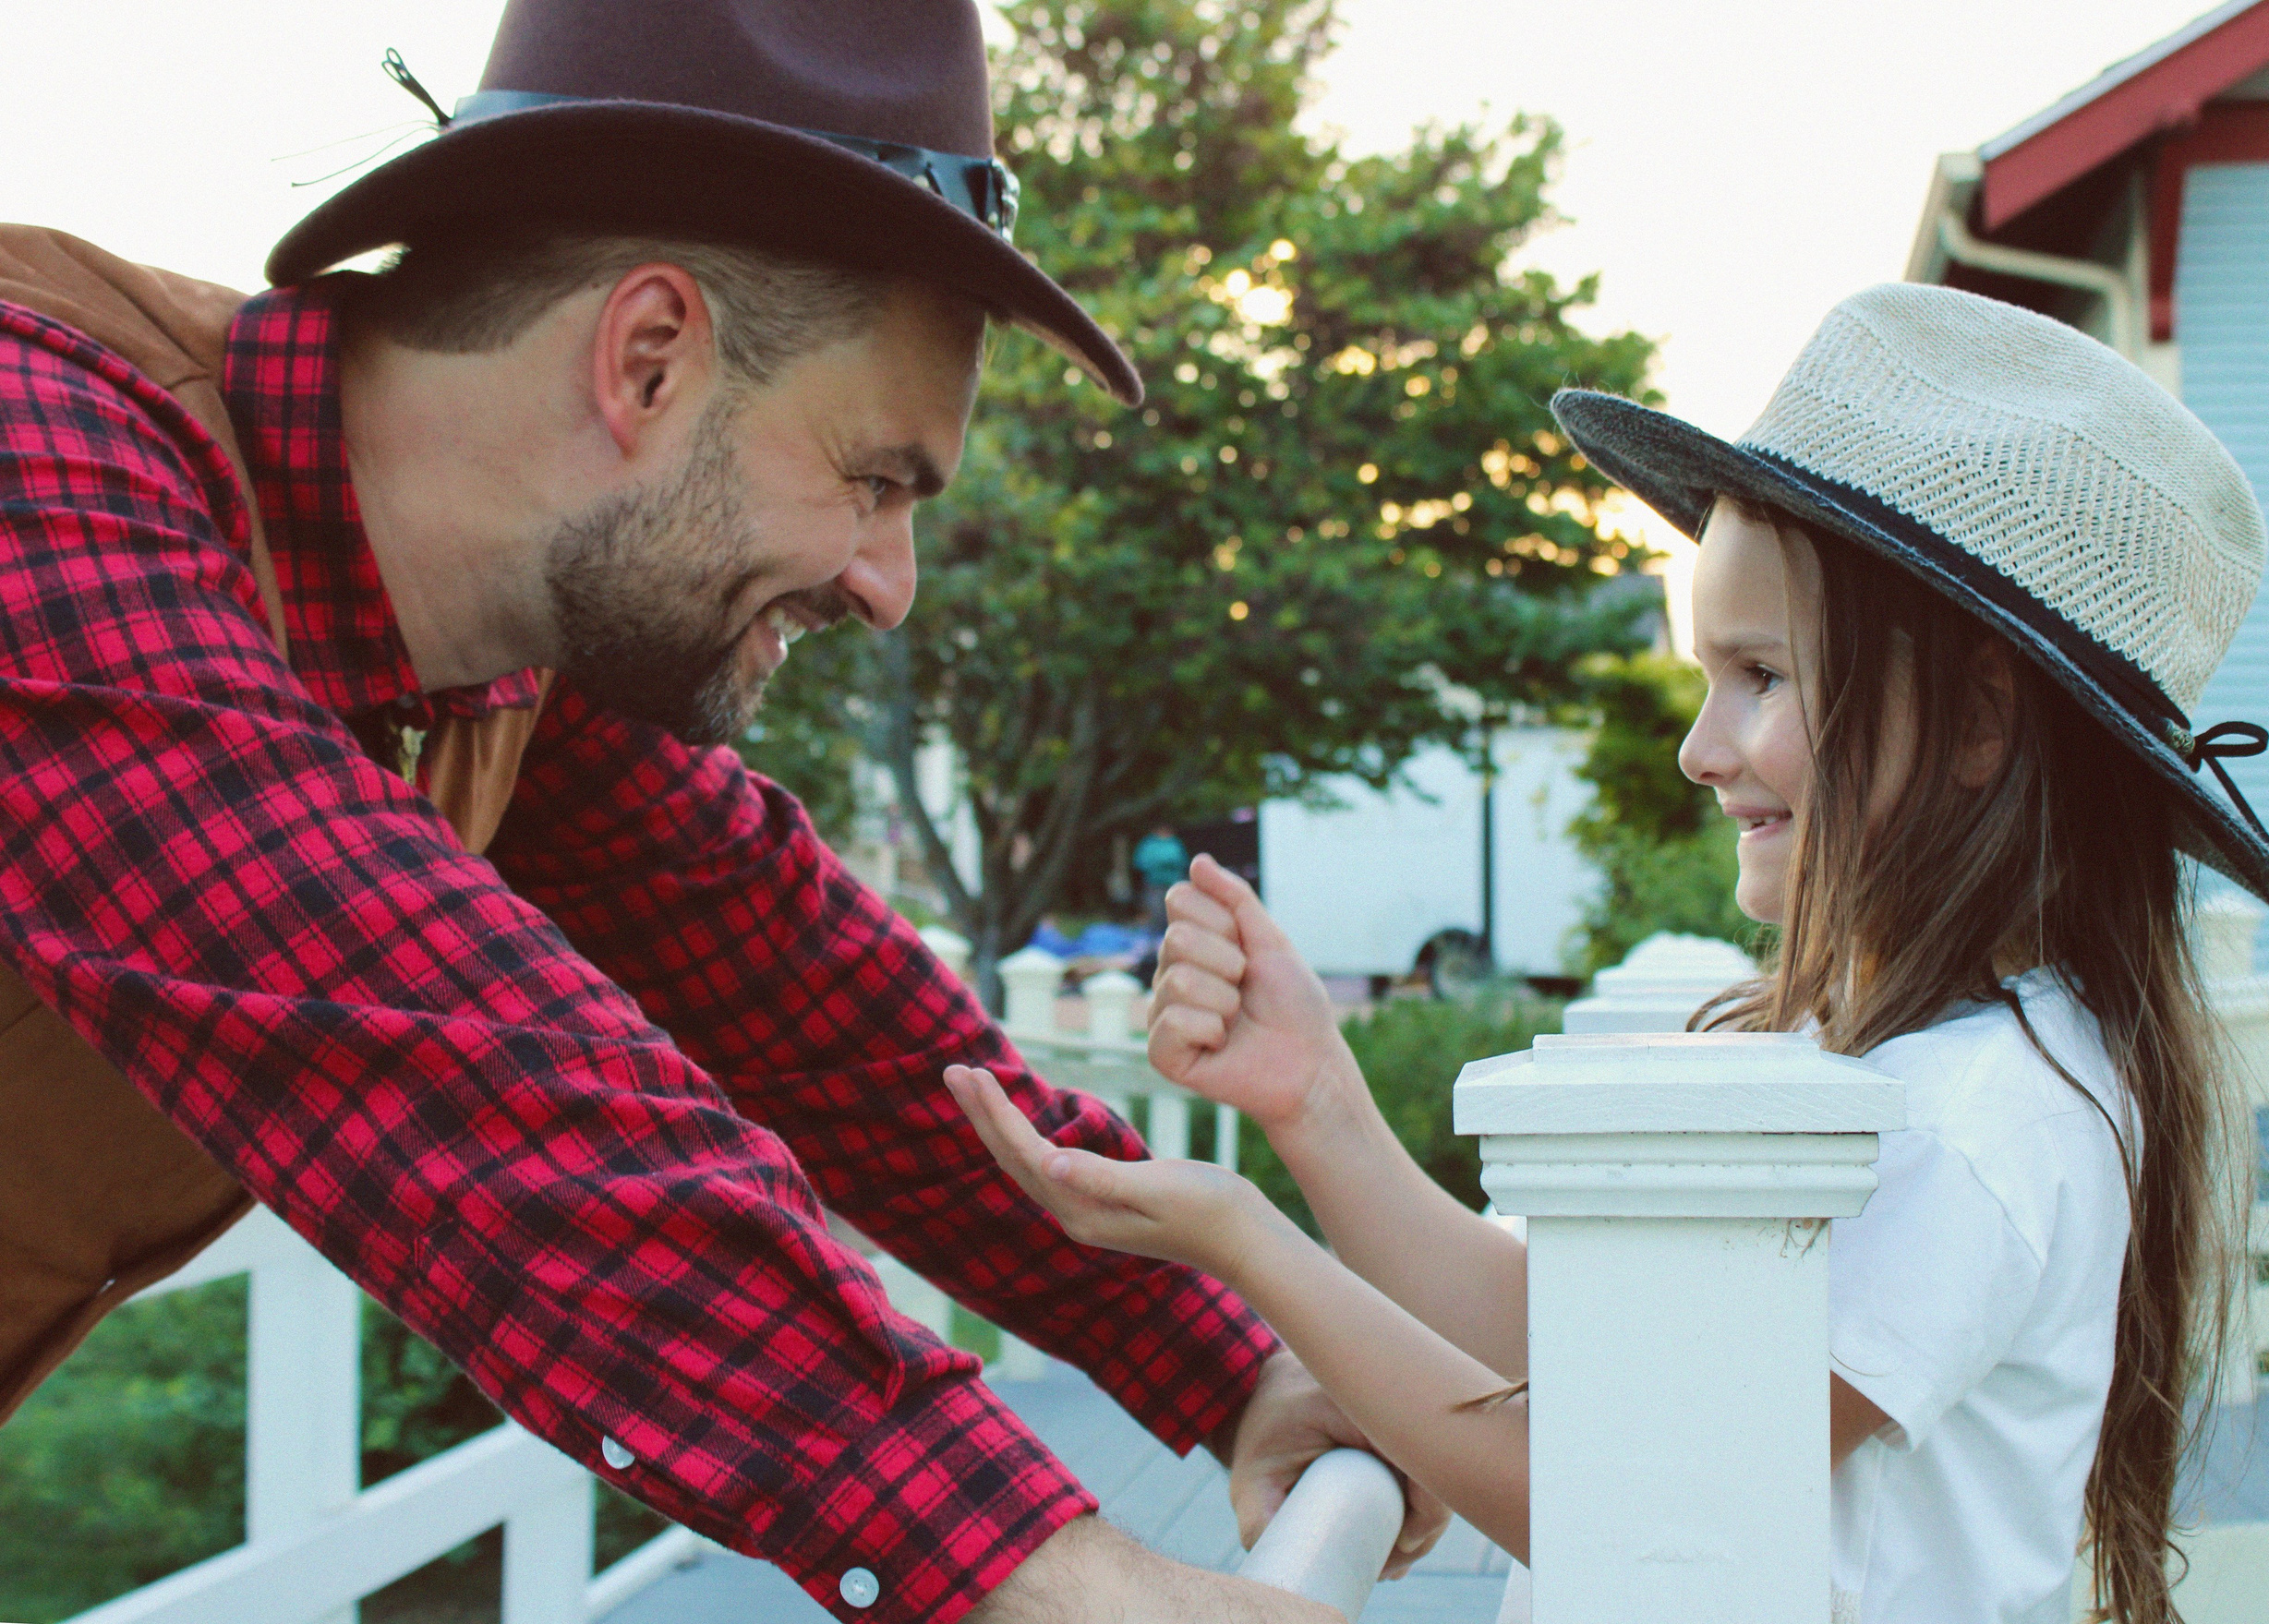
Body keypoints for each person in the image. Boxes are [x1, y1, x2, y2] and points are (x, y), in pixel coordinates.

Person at [0, 3, 1443, 1618]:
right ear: (650, 358)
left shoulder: (494, 670)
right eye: (878, 479)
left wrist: (1229, 1364)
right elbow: (429, 1035)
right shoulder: (33, 445)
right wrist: (1047, 1573)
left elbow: (845, 1029)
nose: (887, 586)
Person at [947, 283, 2269, 1623]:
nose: (1698, 745)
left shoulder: (1979, 1122)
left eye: (1762, 675)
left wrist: (1246, 1237)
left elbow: (1637, 1502)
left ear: (1976, 724)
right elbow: (1580, 1335)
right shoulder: (1898, 1061)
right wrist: (1315, 1099)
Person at [1134, 824, 1192, 932]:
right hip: (1154, 884)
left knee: (1174, 909)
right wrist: (1159, 863)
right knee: (1156, 911)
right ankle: (1156, 937)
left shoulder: (1175, 843)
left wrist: (1171, 863)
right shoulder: (1148, 844)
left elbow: (1183, 861)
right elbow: (1140, 862)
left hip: (1173, 884)